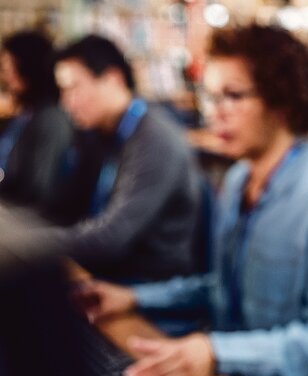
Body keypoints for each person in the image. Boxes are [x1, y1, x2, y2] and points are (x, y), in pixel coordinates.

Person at [78, 25, 308, 376]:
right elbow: (222, 288)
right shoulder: (237, 182)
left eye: (232, 96)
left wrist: (214, 351)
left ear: (282, 100)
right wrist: (133, 298)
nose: (213, 112)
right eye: (210, 96)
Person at [50, 35, 201, 280]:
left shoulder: (155, 139)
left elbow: (111, 238)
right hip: (113, 275)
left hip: (148, 286)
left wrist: (27, 240)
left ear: (113, 79)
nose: (65, 102)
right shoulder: (105, 132)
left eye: (73, 87)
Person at [0, 31, 73, 209]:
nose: (5, 78)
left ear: (28, 69)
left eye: (9, 69)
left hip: (24, 219)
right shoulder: (24, 115)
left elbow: (38, 192)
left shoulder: (51, 120)